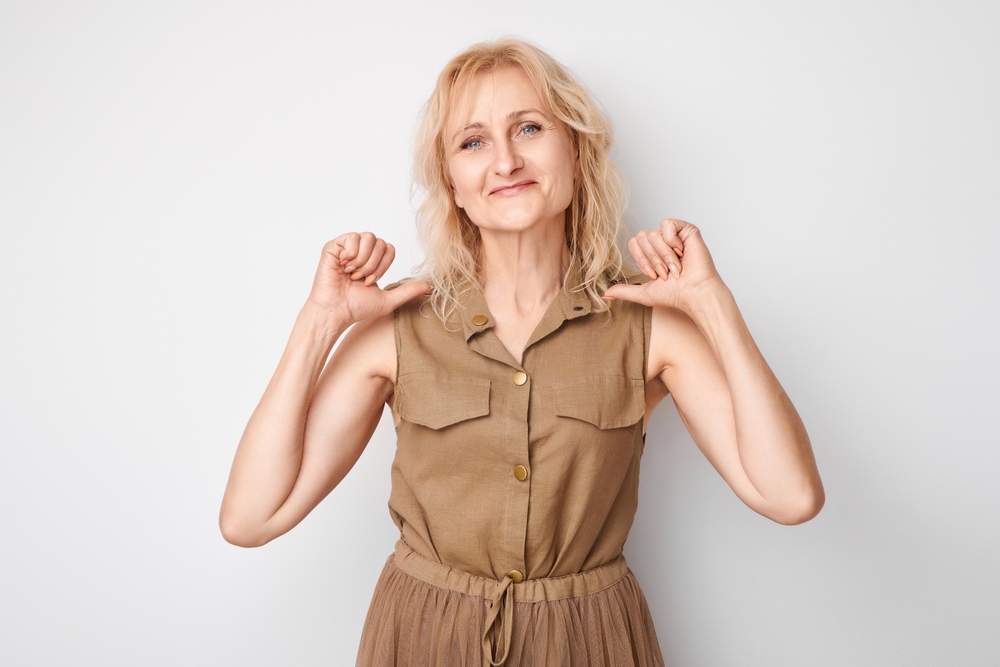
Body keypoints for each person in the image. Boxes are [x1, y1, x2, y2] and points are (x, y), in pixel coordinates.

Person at [219, 38, 824, 667]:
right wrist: (319, 322)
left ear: (575, 151)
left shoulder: (651, 326)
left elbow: (790, 497)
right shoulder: (395, 328)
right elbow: (250, 519)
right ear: (452, 184)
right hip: (425, 639)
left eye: (529, 128)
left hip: (589, 643)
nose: (505, 161)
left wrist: (712, 305)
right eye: (473, 142)